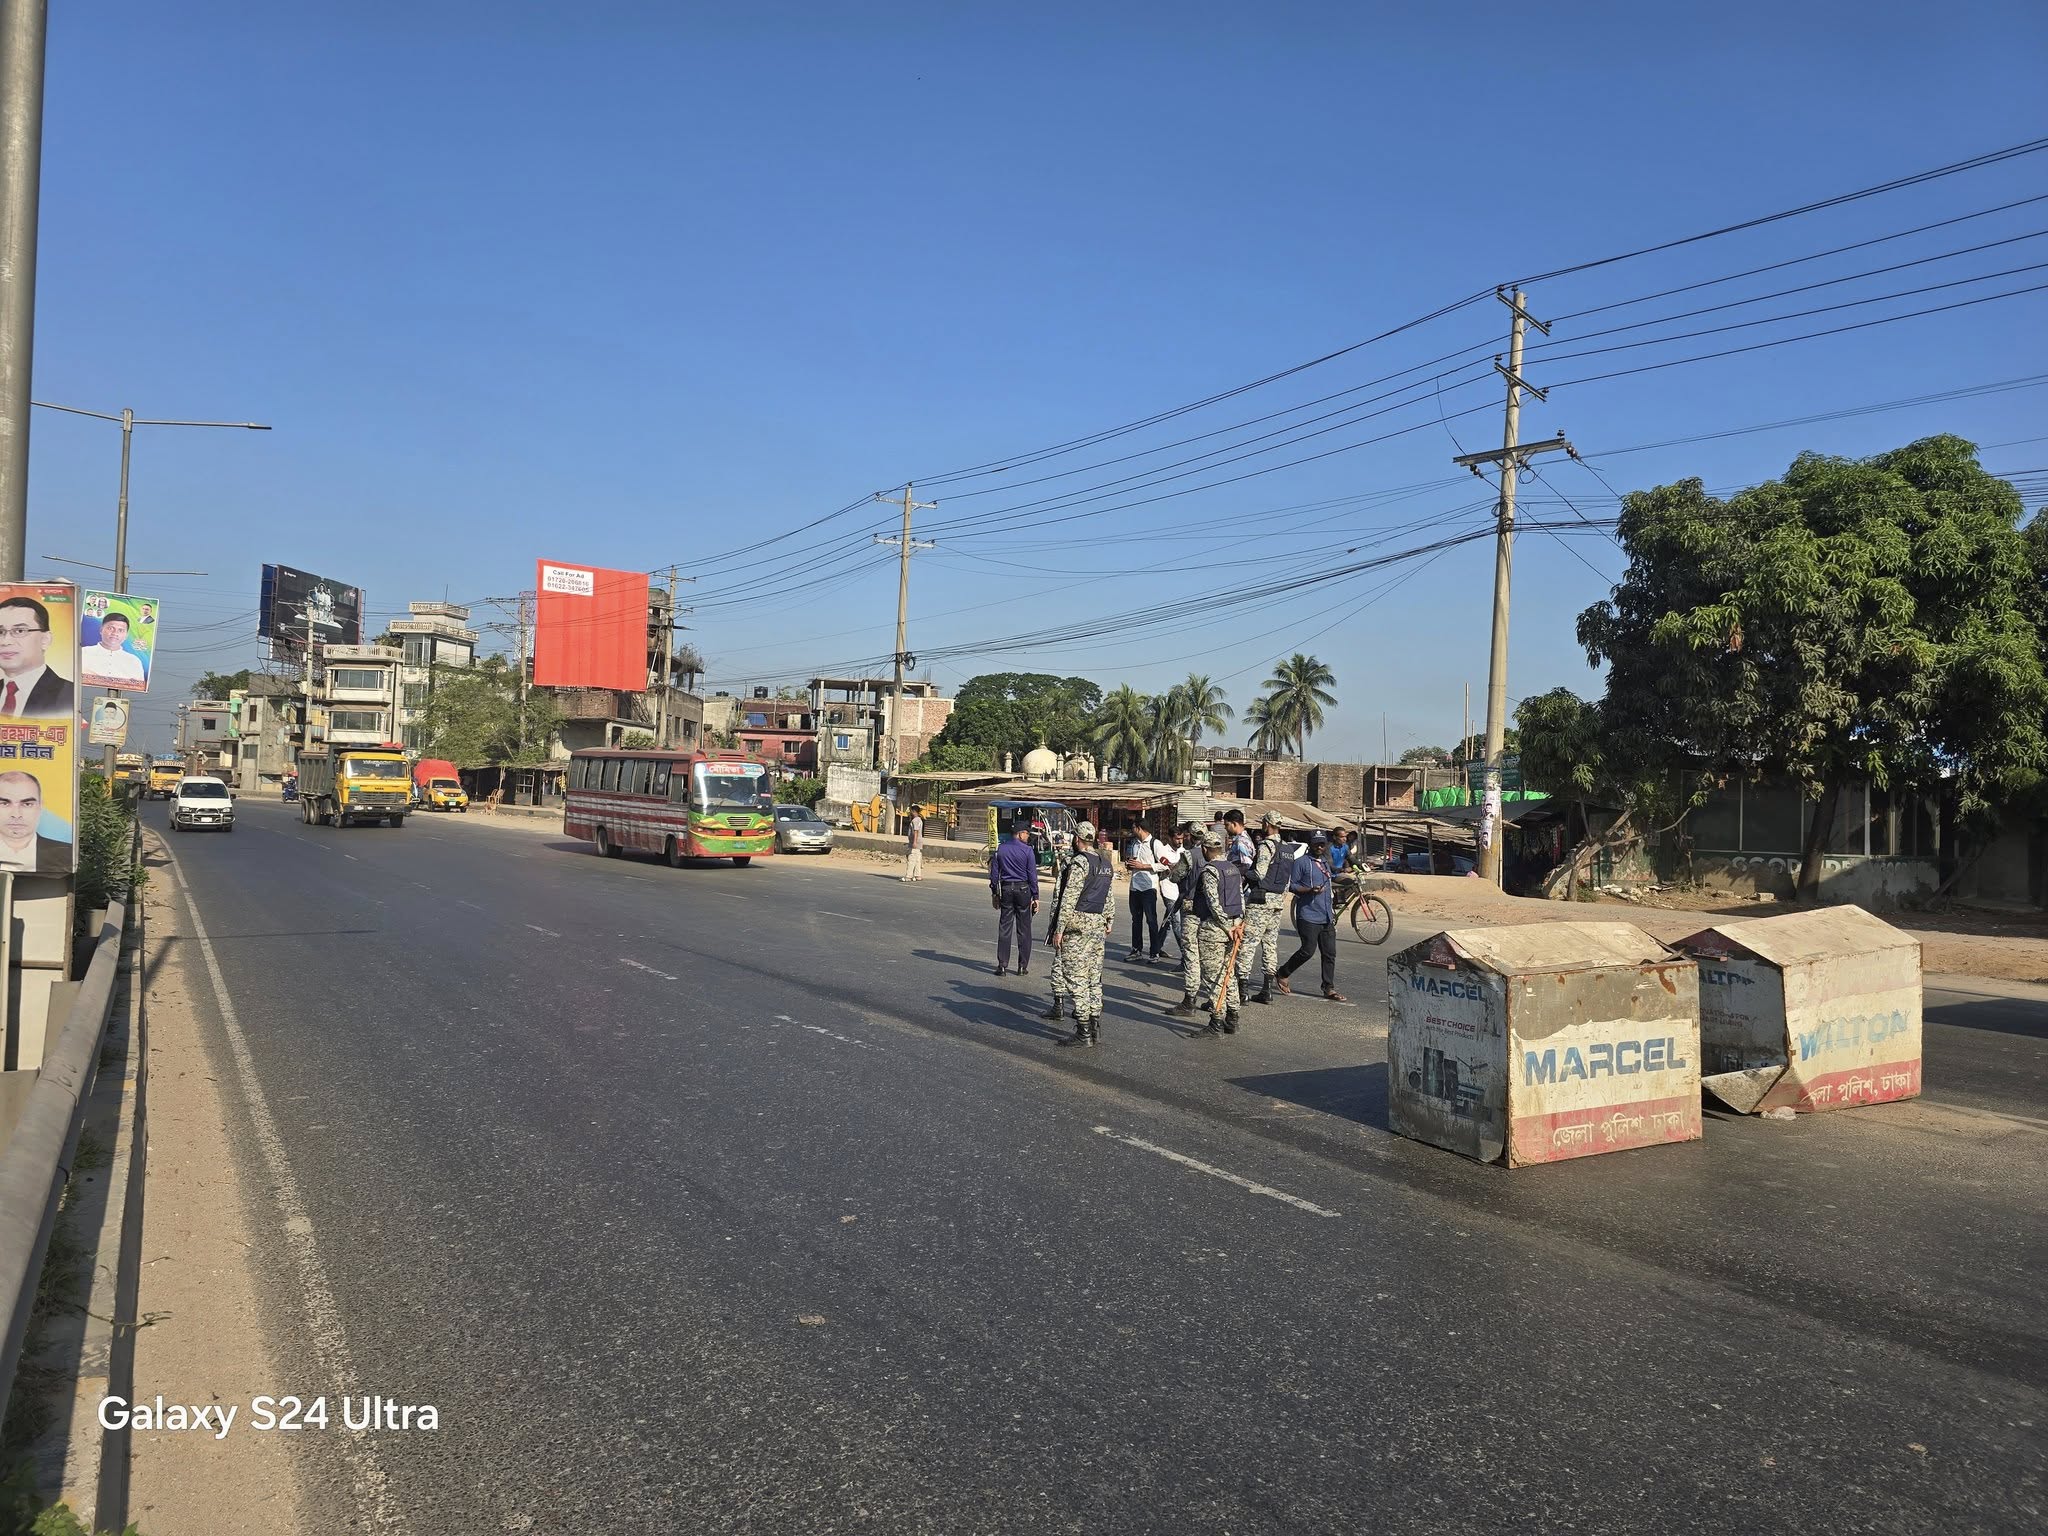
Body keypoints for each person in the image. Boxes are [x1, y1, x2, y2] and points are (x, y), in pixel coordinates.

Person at [1048, 821, 1115, 1047]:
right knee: (1094, 978)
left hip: (1078, 925)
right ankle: (1094, 1026)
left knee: (1076, 977)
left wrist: (1059, 929)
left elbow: (1068, 898)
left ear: (1077, 839)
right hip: (1097, 923)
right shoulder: (1105, 863)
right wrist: (1109, 919)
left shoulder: (1079, 862)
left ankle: (1083, 1031)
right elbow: (1108, 896)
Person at [1275, 831, 1345, 1002]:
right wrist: (1309, 890)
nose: (1320, 847)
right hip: (1308, 915)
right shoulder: (1301, 863)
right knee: (1307, 951)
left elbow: (1330, 882)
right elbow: (1292, 886)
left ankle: (1328, 988)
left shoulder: (1324, 863)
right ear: (1310, 845)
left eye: (1322, 844)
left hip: (1326, 915)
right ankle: (1283, 972)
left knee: (1330, 954)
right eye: (1316, 844)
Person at [1190, 828, 1246, 1035]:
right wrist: (1238, 925)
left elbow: (1214, 904)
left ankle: (1216, 1020)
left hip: (1215, 930)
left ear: (1205, 849)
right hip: (1234, 927)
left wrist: (1226, 926)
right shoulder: (1232, 868)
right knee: (1228, 973)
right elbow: (1241, 899)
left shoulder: (1210, 871)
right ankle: (1233, 1016)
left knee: (1213, 977)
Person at [1237, 813, 1292, 1006]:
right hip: (1277, 901)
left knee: (1249, 943)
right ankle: (1267, 989)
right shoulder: (1287, 849)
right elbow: (1287, 881)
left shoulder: (1265, 846)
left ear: (1267, 824)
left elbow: (1259, 873)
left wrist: (1243, 872)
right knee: (1270, 944)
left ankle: (1242, 990)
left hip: (1261, 900)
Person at [0, 596, 74, 719]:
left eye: (19, 631)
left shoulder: (69, 694)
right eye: (0, 632)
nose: (5, 641)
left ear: (45, 640)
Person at [989, 819, 1040, 977]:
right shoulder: (1027, 851)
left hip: (1006, 889)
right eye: (1026, 833)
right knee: (1024, 929)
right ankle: (1022, 966)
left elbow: (994, 875)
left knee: (1005, 927)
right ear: (1019, 834)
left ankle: (1002, 965)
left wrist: (995, 894)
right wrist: (1036, 896)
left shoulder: (1000, 849)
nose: (1027, 837)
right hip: (1023, 890)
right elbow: (1032, 875)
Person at [1164, 824, 1206, 1015]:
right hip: (1210, 910)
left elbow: (1175, 876)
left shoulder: (1189, 855)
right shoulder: (1216, 854)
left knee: (1191, 954)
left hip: (1191, 907)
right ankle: (1214, 1000)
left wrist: (1172, 870)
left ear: (1190, 836)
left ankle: (1190, 1000)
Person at [0, 769, 70, 875]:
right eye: (4, 803)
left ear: (40, 806)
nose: (16, 814)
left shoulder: (66, 853)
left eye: (27, 804)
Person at [1122, 821, 1167, 964]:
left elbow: (1165, 865)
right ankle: (1136, 950)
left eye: (1133, 827)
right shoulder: (1135, 843)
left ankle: (1154, 952)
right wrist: (1130, 865)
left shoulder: (1156, 844)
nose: (1132, 830)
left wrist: (1144, 866)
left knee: (1151, 920)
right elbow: (1133, 862)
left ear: (1139, 828)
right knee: (1136, 920)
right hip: (1134, 886)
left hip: (1148, 887)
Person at [80, 606, 147, 687]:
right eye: (111, 628)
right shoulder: (82, 653)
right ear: (101, 630)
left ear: (126, 635)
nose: (115, 633)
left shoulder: (134, 661)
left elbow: (139, 687)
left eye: (120, 630)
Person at [903, 807, 925, 882]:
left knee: (911, 858)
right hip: (919, 842)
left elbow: (916, 831)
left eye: (911, 811)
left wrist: (914, 842)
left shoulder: (915, 820)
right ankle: (917, 875)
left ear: (914, 811)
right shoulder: (919, 820)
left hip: (915, 842)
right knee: (917, 859)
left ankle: (908, 876)